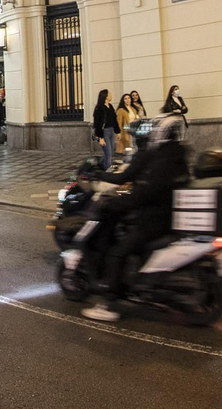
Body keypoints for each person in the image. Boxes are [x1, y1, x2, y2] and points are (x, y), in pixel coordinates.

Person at [78, 113, 191, 323]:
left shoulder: (158, 161)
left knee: (116, 253)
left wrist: (114, 203)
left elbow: (142, 194)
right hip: (172, 216)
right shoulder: (178, 155)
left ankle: (109, 305)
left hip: (155, 220)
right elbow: (128, 178)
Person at [93, 89, 116, 170]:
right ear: (105, 96)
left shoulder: (111, 106)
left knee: (111, 151)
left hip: (111, 131)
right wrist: (100, 138)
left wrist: (117, 131)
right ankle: (107, 169)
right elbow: (97, 124)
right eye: (109, 94)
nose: (111, 95)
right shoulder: (99, 108)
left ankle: (102, 165)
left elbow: (114, 119)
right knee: (108, 152)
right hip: (104, 132)